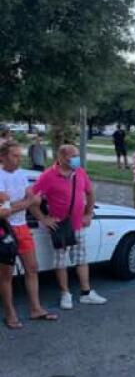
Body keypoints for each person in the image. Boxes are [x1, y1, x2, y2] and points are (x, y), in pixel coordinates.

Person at [29, 145, 106, 309]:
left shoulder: (80, 172)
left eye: (78, 155)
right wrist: (44, 219)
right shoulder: (48, 176)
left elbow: (90, 193)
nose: (77, 159)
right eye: (74, 156)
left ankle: (86, 293)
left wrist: (88, 213)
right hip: (60, 227)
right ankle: (65, 294)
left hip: (78, 224)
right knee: (61, 261)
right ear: (62, 157)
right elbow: (31, 199)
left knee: (81, 259)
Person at [0, 141, 57, 329]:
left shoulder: (21, 174)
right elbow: (4, 212)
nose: (19, 159)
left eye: (19, 155)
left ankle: (35, 308)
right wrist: (26, 202)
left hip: (22, 227)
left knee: (32, 268)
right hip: (4, 231)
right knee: (6, 276)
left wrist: (43, 218)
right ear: (2, 157)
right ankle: (10, 314)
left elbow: (33, 200)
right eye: (14, 155)